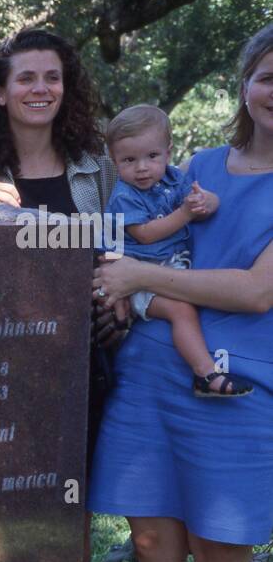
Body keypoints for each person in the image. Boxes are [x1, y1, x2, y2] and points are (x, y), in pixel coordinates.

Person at [91, 23, 273, 562]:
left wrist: (139, 280)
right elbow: (133, 238)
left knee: (222, 552)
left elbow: (257, 292)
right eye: (267, 75)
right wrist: (118, 291)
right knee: (154, 542)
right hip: (150, 373)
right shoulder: (193, 164)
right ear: (245, 82)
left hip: (237, 383)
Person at [0, 28, 118, 475]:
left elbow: (123, 245)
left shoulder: (99, 166)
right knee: (1, 502)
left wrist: (122, 302)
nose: (40, 89)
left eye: (52, 78)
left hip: (82, 361)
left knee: (74, 505)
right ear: (0, 92)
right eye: (26, 79)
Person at [104, 104, 251, 397]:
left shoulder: (173, 179)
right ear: (114, 161)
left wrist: (207, 202)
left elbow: (201, 200)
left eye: (152, 156)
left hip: (169, 268)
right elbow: (144, 235)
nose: (142, 167)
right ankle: (206, 375)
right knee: (181, 310)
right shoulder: (124, 195)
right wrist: (185, 214)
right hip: (137, 276)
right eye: (129, 160)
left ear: (168, 154)